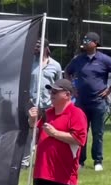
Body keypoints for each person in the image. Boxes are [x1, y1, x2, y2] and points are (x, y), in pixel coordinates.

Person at [64, 32, 111, 171]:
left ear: (95, 43)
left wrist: (110, 89)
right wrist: (72, 89)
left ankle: (98, 161)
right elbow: (67, 72)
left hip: (98, 101)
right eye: (84, 41)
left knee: (98, 132)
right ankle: (80, 161)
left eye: (88, 41)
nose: (85, 43)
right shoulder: (79, 59)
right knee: (81, 132)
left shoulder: (104, 59)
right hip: (81, 102)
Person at [22, 38, 62, 168]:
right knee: (30, 132)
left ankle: (48, 159)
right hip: (33, 104)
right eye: (34, 46)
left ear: (45, 48)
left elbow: (59, 85)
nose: (35, 48)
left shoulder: (55, 66)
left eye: (38, 46)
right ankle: (25, 161)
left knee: (49, 132)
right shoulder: (29, 64)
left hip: (49, 105)